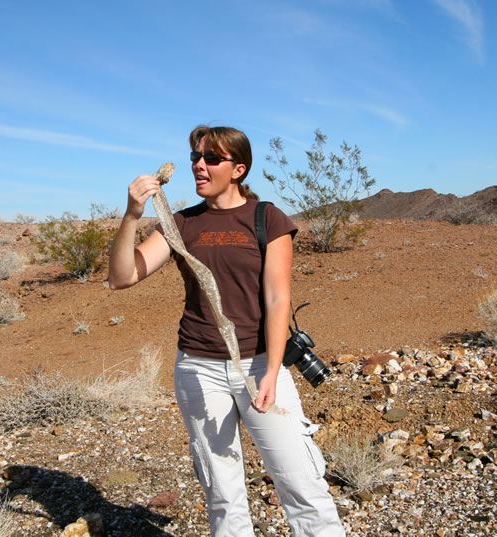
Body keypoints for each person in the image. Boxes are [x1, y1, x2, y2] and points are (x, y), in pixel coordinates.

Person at [108, 125, 345, 537]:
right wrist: (132, 215)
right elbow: (121, 278)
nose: (199, 166)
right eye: (196, 159)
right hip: (198, 369)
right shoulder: (179, 223)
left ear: (238, 169)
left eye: (211, 159)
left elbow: (277, 298)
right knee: (222, 492)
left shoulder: (266, 217)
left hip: (259, 367)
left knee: (301, 483)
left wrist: (272, 370)